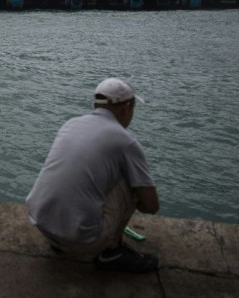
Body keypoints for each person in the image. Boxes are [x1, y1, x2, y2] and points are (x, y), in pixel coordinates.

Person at [26, 78, 160, 273]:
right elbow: (151, 206)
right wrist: (129, 200)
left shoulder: (70, 124)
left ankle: (61, 239)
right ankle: (112, 251)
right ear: (126, 108)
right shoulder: (126, 141)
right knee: (132, 183)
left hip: (42, 225)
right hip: (81, 240)